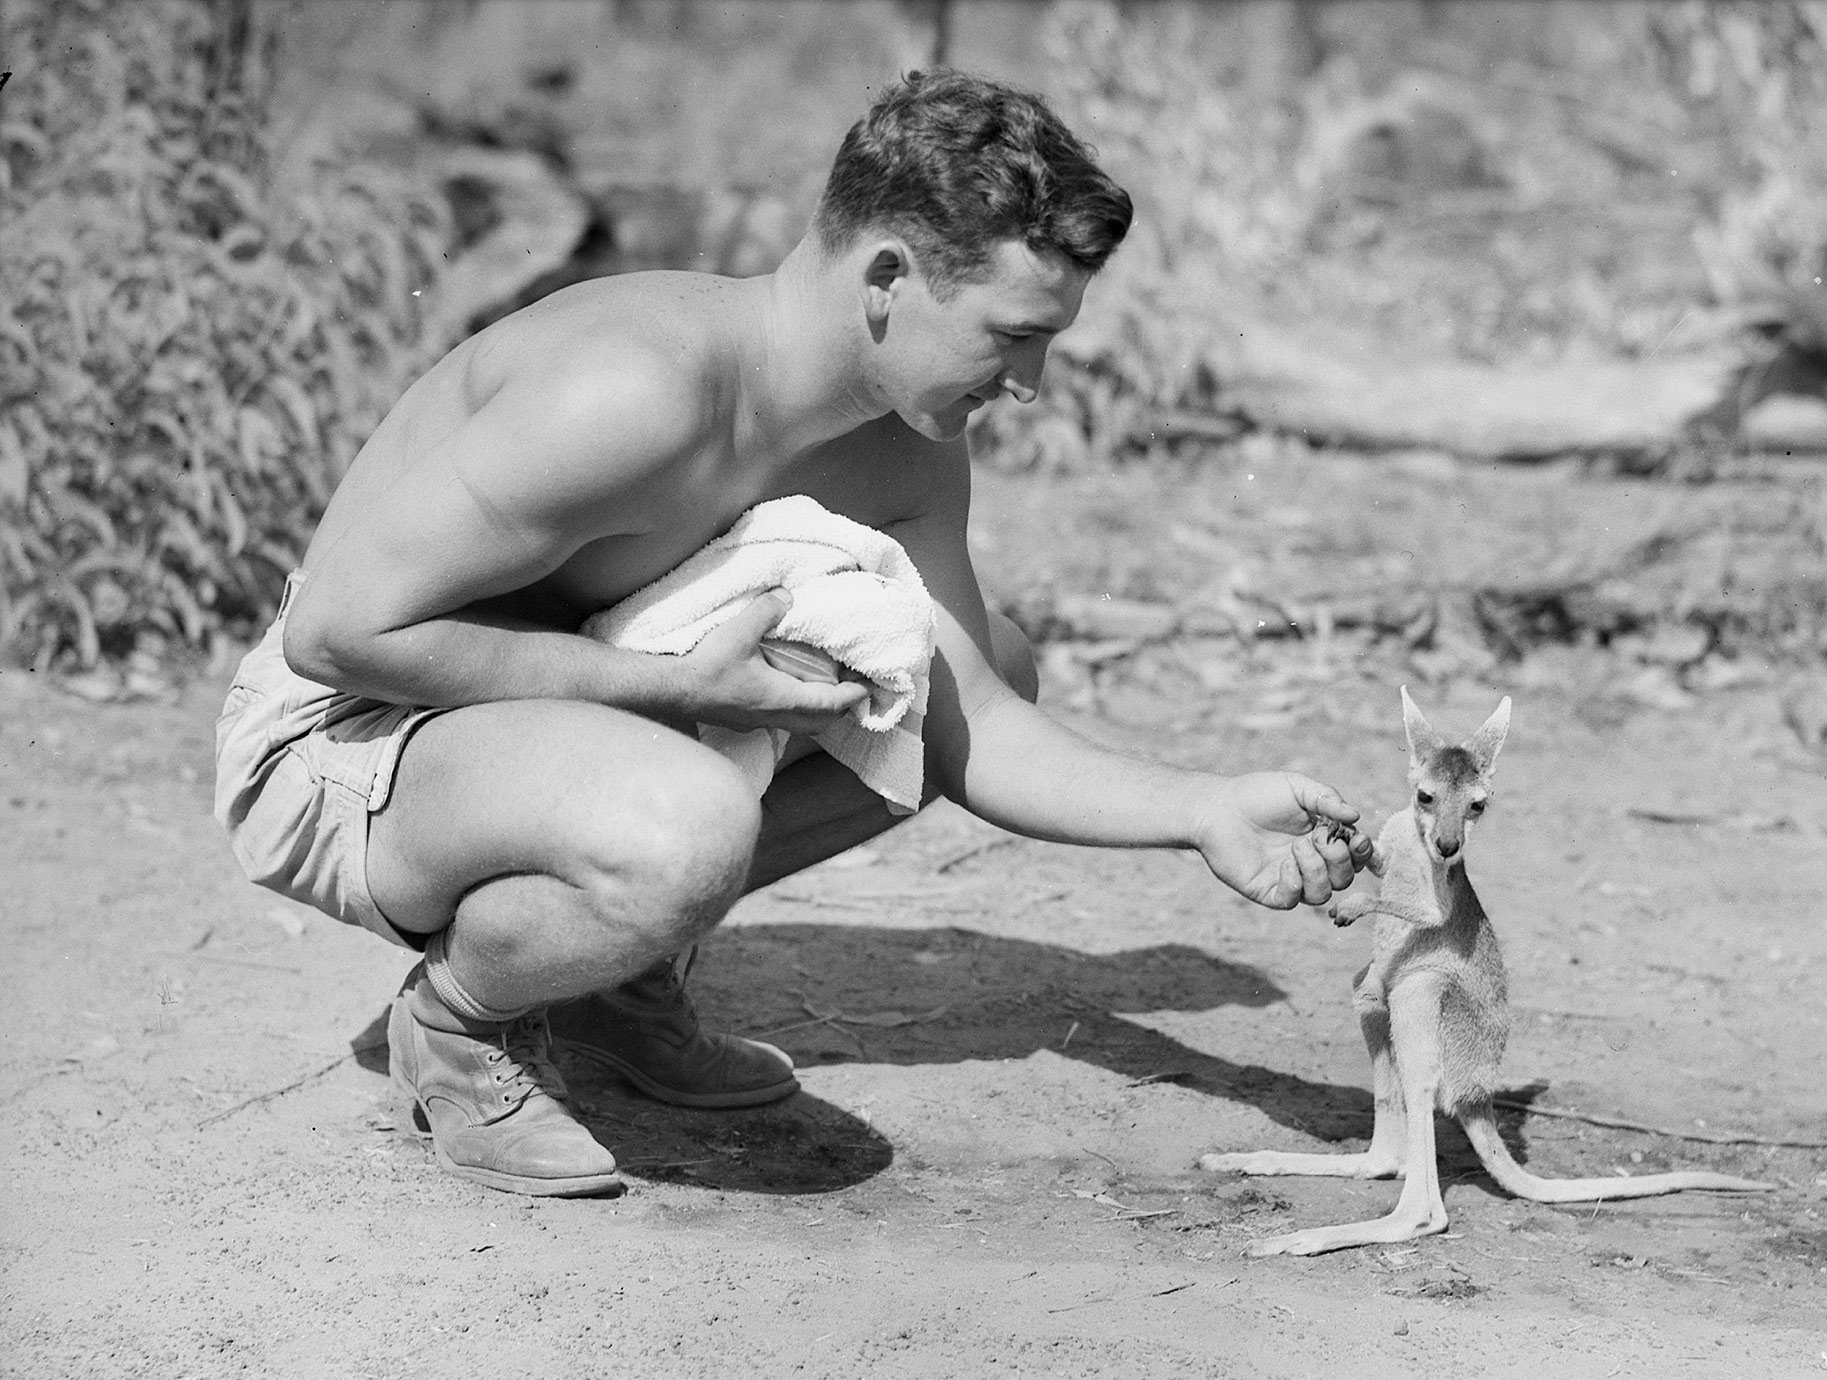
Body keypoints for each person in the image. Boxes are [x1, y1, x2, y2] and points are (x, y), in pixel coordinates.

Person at [213, 69, 1369, 1198]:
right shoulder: (635, 389)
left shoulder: (911, 448)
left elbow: (982, 726)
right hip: (344, 741)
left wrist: (1204, 809)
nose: (1033, 380)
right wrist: (662, 687)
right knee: (691, 827)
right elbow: (338, 634)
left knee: (972, 666)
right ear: (887, 278)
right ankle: (457, 1026)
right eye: (1014, 335)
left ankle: (615, 974)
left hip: (541, 731)